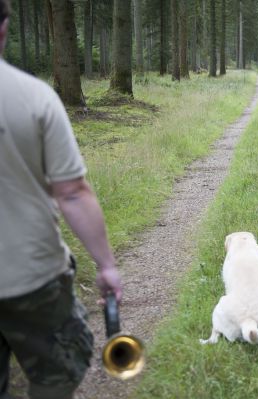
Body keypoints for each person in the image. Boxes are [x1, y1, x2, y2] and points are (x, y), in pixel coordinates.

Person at [0, 1, 123, 397]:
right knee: (58, 369)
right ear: (4, 29)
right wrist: (106, 265)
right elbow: (71, 192)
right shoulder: (34, 97)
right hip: (30, 276)